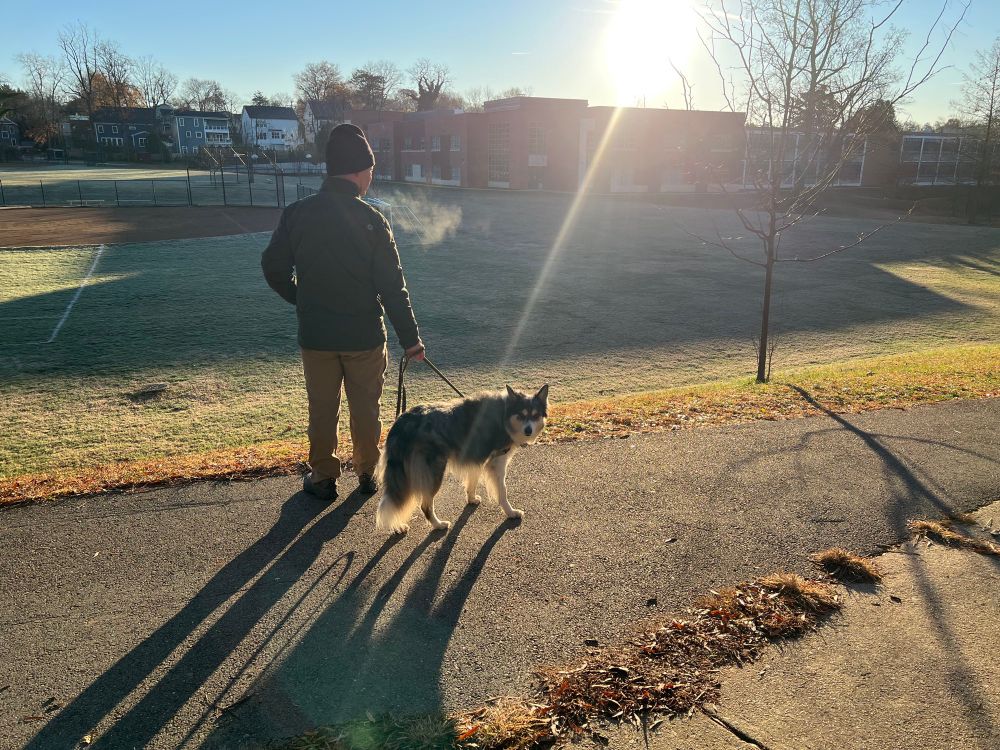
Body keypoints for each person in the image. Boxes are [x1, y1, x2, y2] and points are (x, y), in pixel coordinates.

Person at [261, 123, 424, 501]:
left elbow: (273, 268)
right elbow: (392, 288)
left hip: (316, 336)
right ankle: (368, 473)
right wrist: (411, 340)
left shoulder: (297, 214)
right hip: (364, 338)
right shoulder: (372, 220)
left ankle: (322, 477)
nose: (371, 176)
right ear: (358, 170)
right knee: (366, 409)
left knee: (322, 408)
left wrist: (301, 298)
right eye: (370, 169)